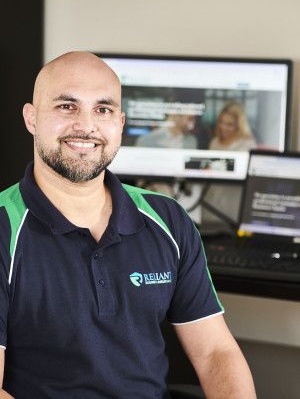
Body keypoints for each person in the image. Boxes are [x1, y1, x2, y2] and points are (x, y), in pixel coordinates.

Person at [0, 51, 256, 399]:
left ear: (119, 122)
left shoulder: (168, 219)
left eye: (102, 109)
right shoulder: (4, 228)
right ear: (31, 118)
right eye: (66, 106)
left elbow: (215, 354)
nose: (86, 125)